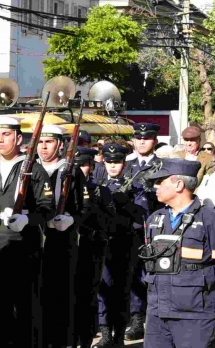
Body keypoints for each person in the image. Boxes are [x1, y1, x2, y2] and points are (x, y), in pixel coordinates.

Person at [0, 115, 54, 348]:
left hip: (25, 247)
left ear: (18, 138)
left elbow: (48, 208)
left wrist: (27, 219)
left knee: (25, 310)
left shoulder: (34, 169)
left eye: (7, 135)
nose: (1, 140)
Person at [141, 158, 215, 348]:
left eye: (161, 181)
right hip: (158, 312)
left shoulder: (208, 218)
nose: (155, 186)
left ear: (179, 184)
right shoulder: (155, 219)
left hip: (196, 314)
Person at [36, 124, 84, 348]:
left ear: (60, 144)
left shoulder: (71, 170)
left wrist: (72, 219)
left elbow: (84, 207)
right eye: (40, 142)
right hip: (33, 239)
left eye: (49, 142)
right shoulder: (30, 169)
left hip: (61, 240)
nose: (44, 147)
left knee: (61, 296)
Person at [94, 143, 146, 348]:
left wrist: (126, 203)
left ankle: (118, 336)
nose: (113, 166)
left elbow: (141, 214)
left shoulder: (134, 185)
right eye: (109, 162)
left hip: (125, 244)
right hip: (101, 243)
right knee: (102, 290)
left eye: (117, 162)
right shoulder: (97, 183)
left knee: (122, 291)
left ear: (124, 163)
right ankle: (105, 333)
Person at [122, 123, 163, 341]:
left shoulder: (163, 166)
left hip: (154, 228)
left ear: (154, 140)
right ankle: (135, 319)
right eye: (138, 137)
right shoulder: (125, 164)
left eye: (146, 138)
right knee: (131, 275)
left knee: (152, 275)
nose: (141, 141)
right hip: (128, 228)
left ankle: (152, 318)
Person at [71, 147, 113, 348]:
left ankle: (86, 340)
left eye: (84, 164)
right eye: (77, 164)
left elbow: (107, 222)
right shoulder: (64, 188)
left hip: (90, 249)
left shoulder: (100, 190)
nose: (80, 169)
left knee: (87, 298)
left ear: (92, 166)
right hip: (69, 250)